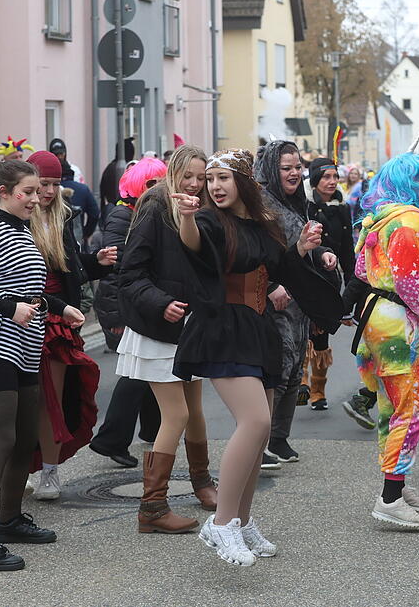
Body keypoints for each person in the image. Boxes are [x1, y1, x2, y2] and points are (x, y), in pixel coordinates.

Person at [171, 148, 340, 566]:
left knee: (261, 434)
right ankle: (222, 523)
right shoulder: (209, 219)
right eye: (211, 180)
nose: (214, 187)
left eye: (223, 179)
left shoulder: (262, 223)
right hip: (222, 329)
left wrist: (300, 248)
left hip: (259, 329)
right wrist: (188, 216)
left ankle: (242, 523)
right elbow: (194, 245)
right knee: (257, 422)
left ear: (243, 182)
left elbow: (278, 269)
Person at [0, 159, 85, 571]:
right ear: (3, 193)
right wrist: (9, 309)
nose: (34, 198)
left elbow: (29, 291)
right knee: (1, 439)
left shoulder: (22, 231)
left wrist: (61, 307)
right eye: (25, 192)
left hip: (23, 348)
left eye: (35, 191)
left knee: (26, 437)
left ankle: (8, 520)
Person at [116, 144, 217, 533]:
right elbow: (131, 273)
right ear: (173, 173)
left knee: (196, 410)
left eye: (200, 177)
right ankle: (153, 507)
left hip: (189, 328)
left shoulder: (202, 206)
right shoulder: (155, 206)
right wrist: (162, 303)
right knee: (177, 414)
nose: (193, 183)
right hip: (158, 329)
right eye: (187, 175)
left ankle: (202, 481)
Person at [352, 152, 419, 530]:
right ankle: (390, 496)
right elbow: (408, 280)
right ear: (409, 184)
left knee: (393, 408)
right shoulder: (408, 220)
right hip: (397, 324)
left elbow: (361, 269)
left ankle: (396, 483)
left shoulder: (380, 217)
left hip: (377, 319)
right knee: (413, 408)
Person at [25, 151, 113, 500]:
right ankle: (27, 465)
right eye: (43, 184)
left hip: (59, 321)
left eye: (55, 184)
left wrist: (98, 263)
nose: (48, 191)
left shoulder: (63, 215)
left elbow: (71, 268)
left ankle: (49, 470)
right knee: (25, 400)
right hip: (25, 315)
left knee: (53, 400)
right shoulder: (16, 218)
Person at [254, 140, 338, 465]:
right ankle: (259, 442)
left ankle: (279, 439)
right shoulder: (261, 204)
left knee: (293, 368)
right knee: (277, 366)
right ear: (272, 170)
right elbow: (260, 253)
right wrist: (273, 285)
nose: (293, 173)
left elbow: (302, 244)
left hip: (298, 297)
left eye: (296, 167)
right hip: (271, 299)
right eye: (285, 167)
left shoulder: (297, 202)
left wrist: (322, 253)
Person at [90, 157, 167, 468]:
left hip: (140, 305)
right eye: (151, 183)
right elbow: (114, 271)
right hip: (128, 308)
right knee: (135, 375)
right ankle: (112, 439)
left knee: (147, 371)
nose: (158, 188)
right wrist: (115, 318)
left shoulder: (142, 211)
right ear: (136, 185)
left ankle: (151, 429)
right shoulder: (122, 216)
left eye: (161, 182)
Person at [301, 157, 354, 410]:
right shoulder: (304, 205)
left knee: (321, 334)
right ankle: (299, 382)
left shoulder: (342, 208)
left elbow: (347, 251)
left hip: (330, 279)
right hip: (304, 275)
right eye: (326, 177)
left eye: (335, 177)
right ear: (314, 180)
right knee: (301, 330)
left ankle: (318, 390)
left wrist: (354, 286)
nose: (332, 182)